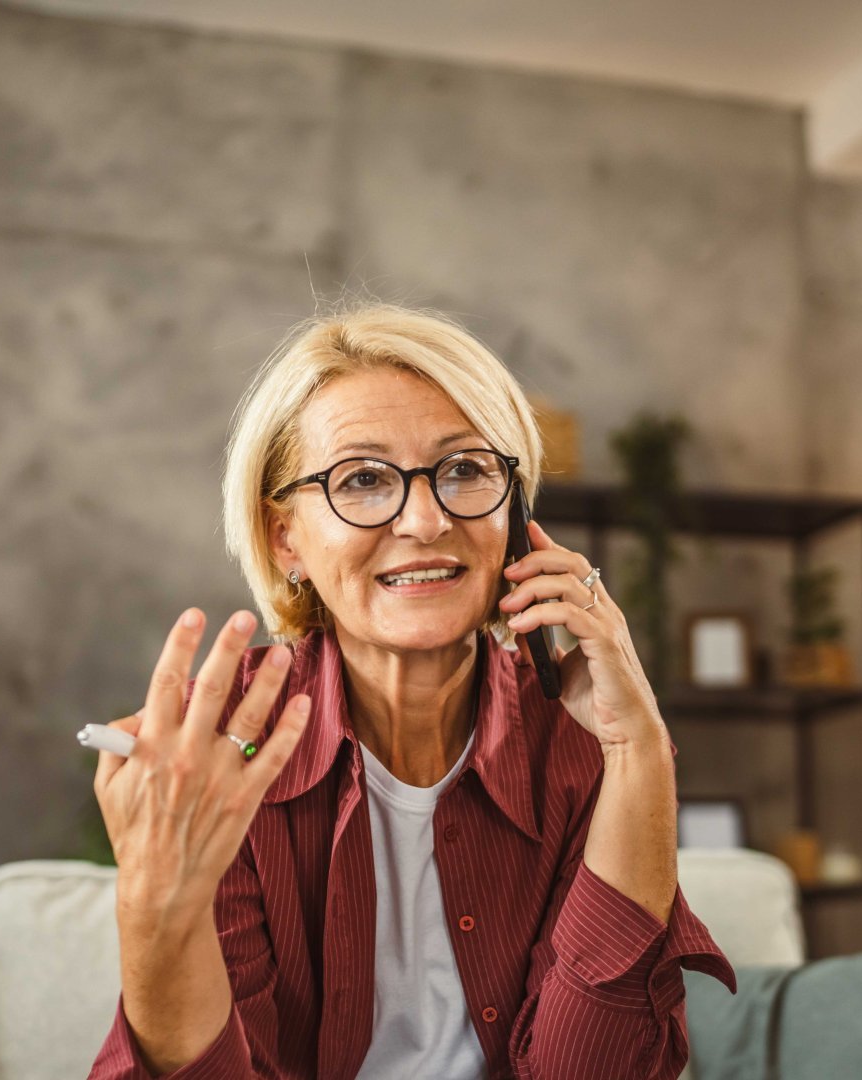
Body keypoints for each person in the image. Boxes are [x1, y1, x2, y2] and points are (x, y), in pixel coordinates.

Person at [87, 300, 735, 1080]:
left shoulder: (577, 746)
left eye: (466, 470)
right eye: (362, 480)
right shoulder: (221, 746)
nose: (426, 520)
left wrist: (639, 756)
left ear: (515, 511)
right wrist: (157, 908)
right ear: (284, 537)